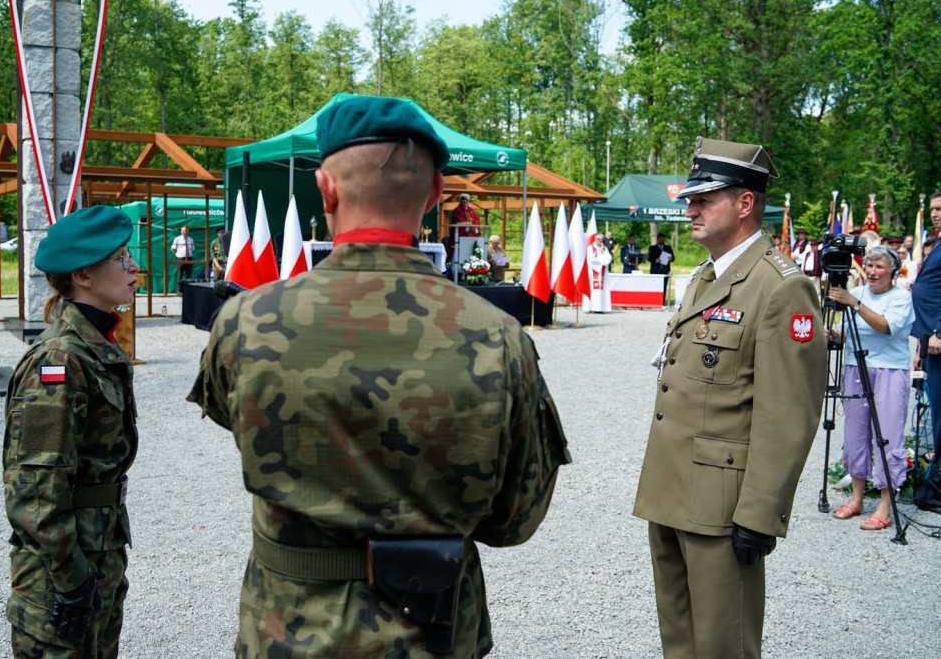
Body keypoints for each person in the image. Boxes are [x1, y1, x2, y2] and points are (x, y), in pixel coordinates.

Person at [188, 95, 570, 659]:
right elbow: (514, 521)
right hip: (434, 630)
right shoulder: (499, 337)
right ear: (436, 194)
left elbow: (236, 421)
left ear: (326, 189)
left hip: (288, 629)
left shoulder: (247, 320)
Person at [634, 137, 825, 659]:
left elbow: (789, 412)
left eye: (704, 199)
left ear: (745, 204)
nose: (689, 209)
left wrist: (760, 514)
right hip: (672, 490)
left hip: (723, 506)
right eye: (690, 199)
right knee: (680, 639)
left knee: (724, 647)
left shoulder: (782, 287)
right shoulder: (705, 277)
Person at [3, 206, 140, 658]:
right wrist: (71, 576)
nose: (134, 266)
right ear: (83, 275)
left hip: (97, 554)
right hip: (62, 571)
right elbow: (35, 488)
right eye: (121, 258)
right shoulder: (58, 360)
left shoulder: (96, 347)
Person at [827, 246, 914, 530]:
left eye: (879, 267)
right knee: (855, 435)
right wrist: (831, 332)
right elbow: (846, 331)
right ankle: (857, 499)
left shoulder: (900, 296)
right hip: (855, 367)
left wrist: (853, 303)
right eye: (870, 266)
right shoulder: (860, 294)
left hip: (890, 370)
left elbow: (885, 326)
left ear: (893, 271)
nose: (873, 272)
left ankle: (885, 507)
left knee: (887, 436)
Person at [911, 189, 941, 463]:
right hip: (930, 339)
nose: (935, 214)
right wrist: (923, 342)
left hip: (940, 337)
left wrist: (940, 330)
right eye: (933, 209)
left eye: (940, 209)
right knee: (937, 403)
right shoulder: (939, 242)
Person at [584, 232, 612, 313]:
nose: (600, 241)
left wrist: (603, 252)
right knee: (593, 290)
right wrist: (602, 262)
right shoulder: (590, 248)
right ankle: (591, 307)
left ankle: (601, 308)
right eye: (598, 239)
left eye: (601, 240)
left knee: (602, 290)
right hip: (593, 272)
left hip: (602, 273)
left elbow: (609, 259)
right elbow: (590, 260)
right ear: (595, 239)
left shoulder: (604, 249)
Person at [648, 232, 675, 299]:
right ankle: (654, 300)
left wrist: (671, 258)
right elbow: (648, 258)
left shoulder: (668, 248)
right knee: (655, 286)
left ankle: (662, 301)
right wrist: (655, 260)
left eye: (663, 240)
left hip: (665, 270)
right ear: (658, 240)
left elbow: (673, 258)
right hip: (655, 270)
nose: (662, 241)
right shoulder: (652, 248)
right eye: (660, 240)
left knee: (664, 286)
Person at [170, 225, 195, 291]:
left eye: (186, 231)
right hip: (180, 258)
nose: (185, 232)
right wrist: (177, 255)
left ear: (188, 232)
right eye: (183, 231)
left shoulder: (191, 239)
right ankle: (179, 290)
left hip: (189, 258)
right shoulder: (177, 239)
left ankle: (188, 290)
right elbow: (172, 249)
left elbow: (192, 249)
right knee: (179, 275)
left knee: (189, 275)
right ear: (181, 231)